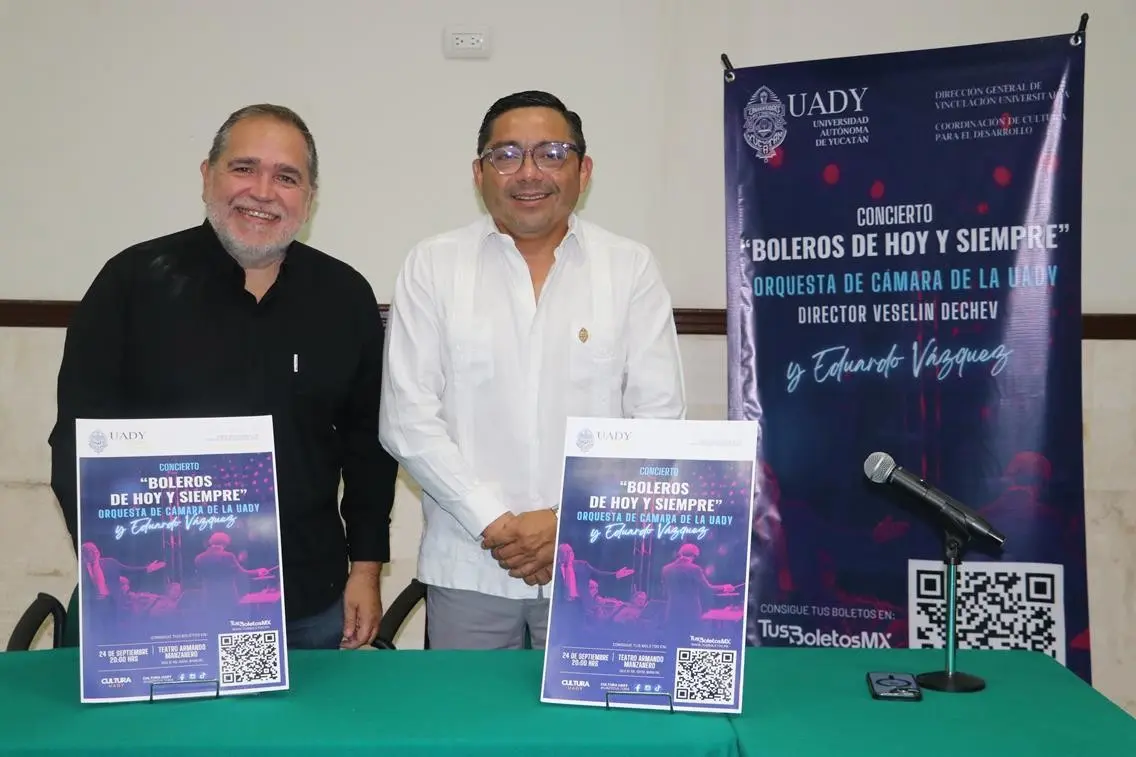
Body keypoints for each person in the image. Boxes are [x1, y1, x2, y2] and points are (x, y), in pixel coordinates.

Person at [48, 103, 398, 650]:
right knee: (164, 740)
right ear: (207, 175)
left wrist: (367, 567)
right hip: (161, 603)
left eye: (286, 177)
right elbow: (77, 442)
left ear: (309, 198)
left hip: (309, 602)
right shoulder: (131, 286)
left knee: (301, 738)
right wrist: (115, 572)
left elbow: (367, 446)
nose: (263, 191)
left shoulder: (344, 297)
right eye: (244, 168)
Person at [379, 90, 685, 650]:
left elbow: (657, 422)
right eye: (506, 155)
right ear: (479, 172)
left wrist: (566, 521)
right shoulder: (433, 264)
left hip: (600, 567)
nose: (528, 173)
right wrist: (495, 521)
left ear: (583, 170)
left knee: (593, 735)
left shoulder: (630, 267)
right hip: (468, 563)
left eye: (550, 153)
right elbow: (406, 419)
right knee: (474, 733)